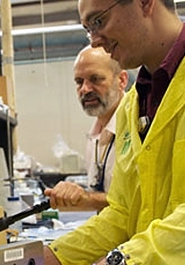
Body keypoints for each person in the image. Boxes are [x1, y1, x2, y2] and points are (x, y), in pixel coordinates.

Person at [44, 0, 185, 265]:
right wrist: (45, 256)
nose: (94, 40)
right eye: (87, 29)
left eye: (99, 21)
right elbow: (124, 212)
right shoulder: (132, 105)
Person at [45, 46, 128, 212]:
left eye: (95, 79)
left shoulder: (136, 128)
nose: (85, 89)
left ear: (122, 81)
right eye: (79, 82)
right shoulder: (95, 137)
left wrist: (87, 198)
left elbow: (135, 201)